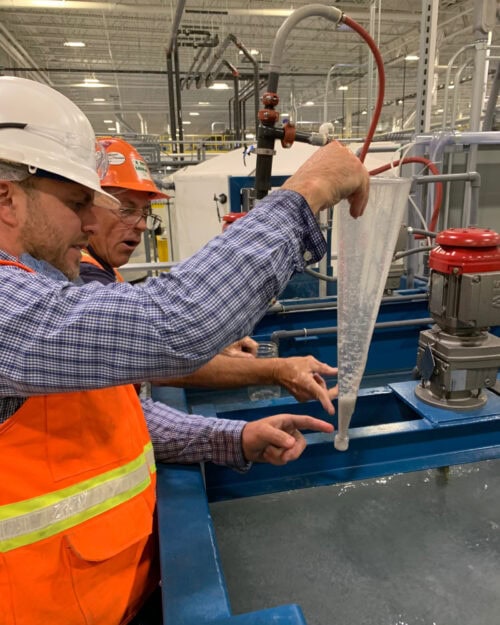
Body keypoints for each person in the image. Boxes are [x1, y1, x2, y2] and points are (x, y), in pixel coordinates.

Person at [0, 76, 369, 625]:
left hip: (118, 592)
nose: (88, 222)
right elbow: (178, 322)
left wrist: (233, 438)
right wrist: (307, 192)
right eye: (79, 201)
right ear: (6, 198)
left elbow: (114, 414)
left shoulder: (40, 292)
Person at [79, 136, 344, 413]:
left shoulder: (103, 272)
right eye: (126, 209)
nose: (142, 225)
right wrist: (276, 370)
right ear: (84, 204)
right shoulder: (80, 279)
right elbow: (154, 351)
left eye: (145, 212)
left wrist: (214, 347)